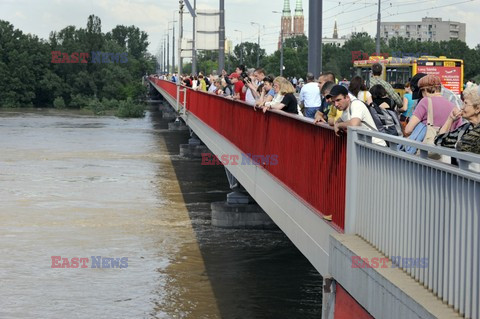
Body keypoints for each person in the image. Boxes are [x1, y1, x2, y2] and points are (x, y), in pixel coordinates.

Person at [435, 84, 480, 155]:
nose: (462, 107)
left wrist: (457, 145)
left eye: (465, 103)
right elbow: (439, 141)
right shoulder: (465, 128)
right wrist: (450, 119)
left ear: (477, 109)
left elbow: (463, 146)